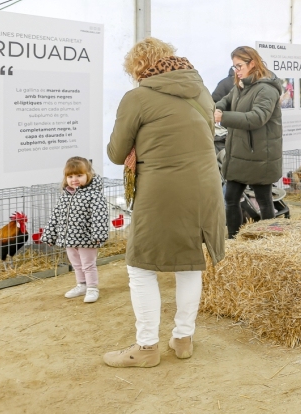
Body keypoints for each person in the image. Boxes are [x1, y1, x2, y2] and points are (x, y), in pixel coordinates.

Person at [105, 37, 225, 368]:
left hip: (162, 192)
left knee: (140, 266)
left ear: (138, 67)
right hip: (206, 187)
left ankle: (146, 348)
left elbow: (116, 153)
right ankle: (183, 339)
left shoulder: (137, 97)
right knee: (190, 263)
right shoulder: (200, 89)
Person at [215, 46, 283, 238]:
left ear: (252, 63)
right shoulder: (241, 85)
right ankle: (234, 239)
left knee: (264, 200)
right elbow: (225, 101)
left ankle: (270, 241)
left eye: (239, 66)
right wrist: (216, 109)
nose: (236, 70)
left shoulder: (266, 89)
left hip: (260, 155)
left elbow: (257, 118)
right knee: (230, 198)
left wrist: (222, 118)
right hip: (239, 153)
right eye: (234, 67)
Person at [40, 156, 109, 304]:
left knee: (88, 264)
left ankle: (92, 287)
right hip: (69, 239)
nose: (74, 179)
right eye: (70, 176)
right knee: (76, 264)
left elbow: (100, 216)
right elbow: (55, 216)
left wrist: (98, 234)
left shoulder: (94, 195)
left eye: (79, 175)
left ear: (88, 175)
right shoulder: (65, 196)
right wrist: (50, 235)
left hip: (87, 239)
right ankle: (81, 285)